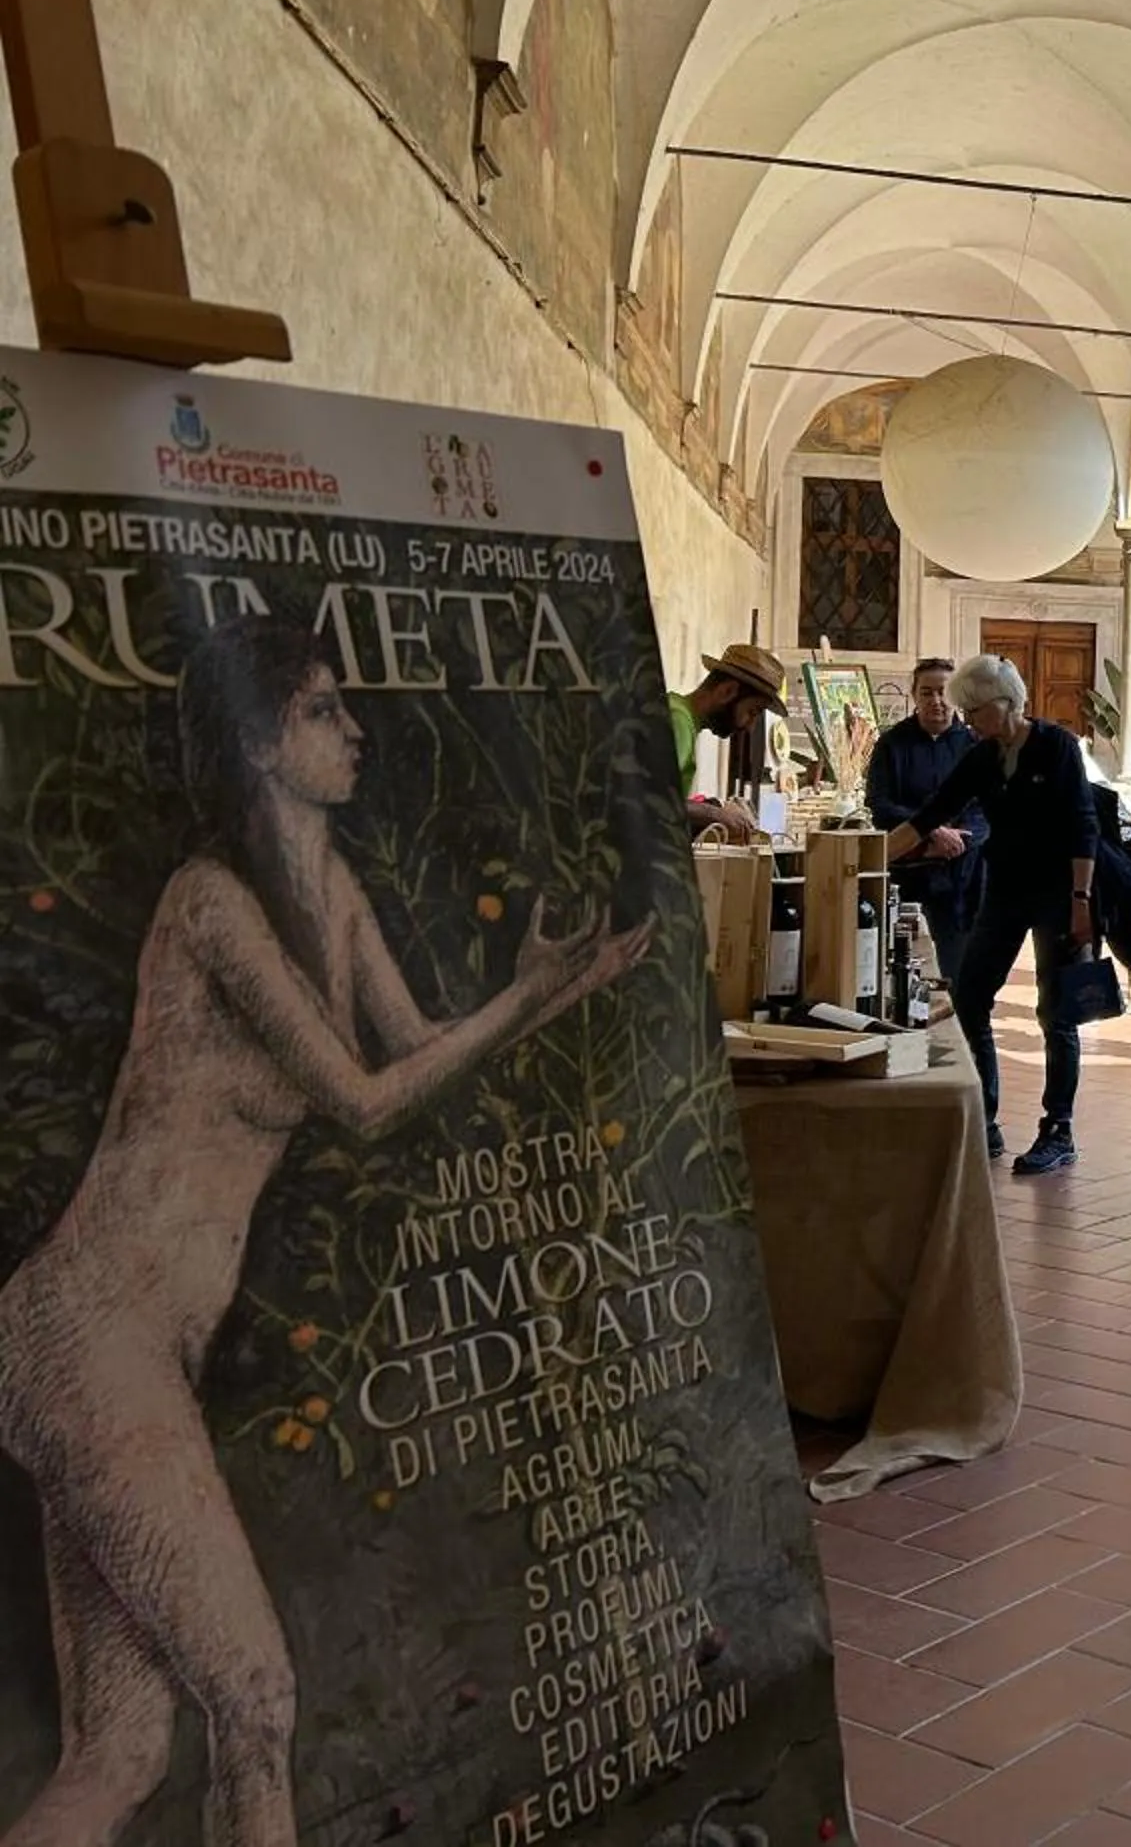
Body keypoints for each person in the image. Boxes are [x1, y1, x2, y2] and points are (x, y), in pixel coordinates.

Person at [0, 618, 651, 1844]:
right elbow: (359, 1105)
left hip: (133, 1351)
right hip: (86, 1332)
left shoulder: (331, 895)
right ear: (256, 742)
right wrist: (523, 997)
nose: (355, 730)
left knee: (124, 1750)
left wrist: (552, 988)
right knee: (255, 1696)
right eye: (319, 710)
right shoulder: (212, 906)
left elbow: (413, 1055)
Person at [882, 655, 1097, 1170]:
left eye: (973, 711)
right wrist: (867, 861)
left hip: (1060, 892)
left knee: (1057, 1010)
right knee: (971, 998)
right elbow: (930, 815)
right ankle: (985, 1117)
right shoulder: (982, 756)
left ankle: (1058, 1129)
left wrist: (1082, 903)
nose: (967, 722)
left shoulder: (1056, 746)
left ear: (1003, 705)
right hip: (1004, 890)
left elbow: (1082, 825)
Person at [865, 657, 984, 988]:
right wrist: (932, 832)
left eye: (943, 692)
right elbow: (880, 804)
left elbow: (985, 809)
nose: (936, 701)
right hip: (906, 875)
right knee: (902, 970)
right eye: (927, 692)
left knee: (957, 975)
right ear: (914, 695)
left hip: (961, 876)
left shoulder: (976, 745)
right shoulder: (891, 744)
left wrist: (960, 840)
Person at [671, 641, 786, 839]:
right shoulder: (677, 721)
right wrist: (716, 814)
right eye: (752, 712)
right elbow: (649, 799)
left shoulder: (681, 717)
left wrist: (713, 806)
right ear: (727, 691)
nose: (749, 726)